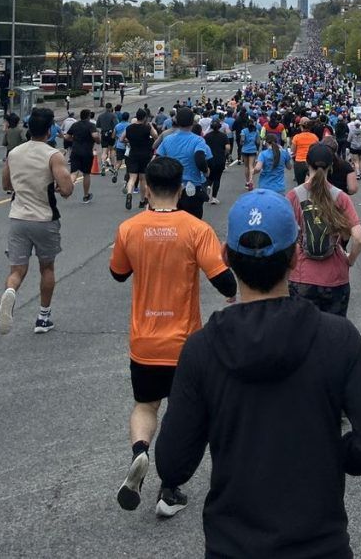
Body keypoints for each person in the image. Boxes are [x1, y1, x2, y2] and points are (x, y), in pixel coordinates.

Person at [153, 188, 361, 558]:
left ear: (226, 257)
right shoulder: (337, 338)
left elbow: (172, 462)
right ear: (295, 254)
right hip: (320, 544)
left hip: (232, 544)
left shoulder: (203, 349)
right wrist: (329, 453)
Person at [109, 157, 237, 517]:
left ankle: (139, 452)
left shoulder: (129, 229)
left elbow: (118, 273)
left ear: (147, 187)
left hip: (144, 342)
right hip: (185, 343)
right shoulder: (195, 229)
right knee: (185, 416)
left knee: (146, 406)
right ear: (181, 189)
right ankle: (169, 491)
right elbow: (224, 281)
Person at [0, 108, 74, 335]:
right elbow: (67, 188)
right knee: (47, 267)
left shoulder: (15, 153)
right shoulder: (53, 155)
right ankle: (43, 316)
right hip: (44, 218)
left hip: (18, 217)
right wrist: (59, 187)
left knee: (17, 270)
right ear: (49, 130)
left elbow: (6, 185)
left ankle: (10, 292)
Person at [286, 144, 361, 317]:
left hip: (301, 277)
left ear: (307, 164)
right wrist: (349, 260)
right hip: (335, 278)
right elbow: (359, 238)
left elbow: (283, 238)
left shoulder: (293, 196)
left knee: (302, 336)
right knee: (333, 335)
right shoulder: (340, 197)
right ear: (331, 167)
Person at [154, 107, 213, 218]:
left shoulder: (168, 139)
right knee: (193, 224)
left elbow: (157, 159)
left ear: (176, 121)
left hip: (172, 189)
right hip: (192, 187)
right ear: (192, 122)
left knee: (173, 223)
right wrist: (206, 171)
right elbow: (200, 158)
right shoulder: (198, 140)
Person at [65, 108, 99, 203]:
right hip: (87, 152)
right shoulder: (91, 125)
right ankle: (86, 195)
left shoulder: (75, 125)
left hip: (75, 151)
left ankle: (66, 189)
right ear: (88, 116)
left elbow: (67, 137)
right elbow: (95, 136)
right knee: (86, 174)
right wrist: (98, 141)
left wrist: (75, 140)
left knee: (74, 173)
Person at [123, 109, 155, 211]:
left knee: (132, 178)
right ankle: (142, 200)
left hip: (133, 154)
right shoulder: (147, 127)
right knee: (143, 179)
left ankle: (129, 193)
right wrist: (151, 126)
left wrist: (129, 140)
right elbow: (156, 136)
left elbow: (121, 139)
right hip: (145, 155)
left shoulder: (129, 128)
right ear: (145, 117)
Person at [203, 118, 230, 205]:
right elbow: (227, 148)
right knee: (217, 178)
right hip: (220, 159)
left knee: (209, 176)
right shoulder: (223, 136)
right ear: (219, 126)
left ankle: (207, 187)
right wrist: (225, 154)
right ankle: (214, 198)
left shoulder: (207, 136)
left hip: (209, 159)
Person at [290, 117, 319, 186]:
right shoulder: (315, 137)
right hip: (311, 163)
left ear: (301, 126)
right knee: (311, 184)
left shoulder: (296, 137)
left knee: (300, 185)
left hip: (299, 162)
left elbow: (292, 151)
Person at [96, 102, 118, 176]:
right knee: (112, 150)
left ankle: (103, 165)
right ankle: (112, 166)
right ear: (111, 108)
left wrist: (102, 132)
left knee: (104, 150)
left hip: (104, 134)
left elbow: (97, 126)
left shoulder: (100, 116)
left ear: (105, 107)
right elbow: (116, 126)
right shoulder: (113, 115)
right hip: (111, 134)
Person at [112, 111, 130, 185]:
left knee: (119, 161)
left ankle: (116, 171)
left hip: (119, 145)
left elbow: (113, 136)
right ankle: (126, 177)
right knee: (128, 163)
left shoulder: (117, 126)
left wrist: (118, 138)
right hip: (127, 146)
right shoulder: (130, 125)